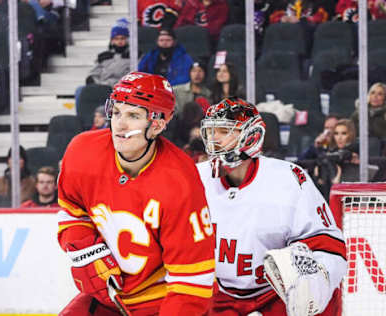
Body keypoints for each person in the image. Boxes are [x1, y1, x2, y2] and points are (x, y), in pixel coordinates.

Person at [57, 72, 215, 316]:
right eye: (117, 111)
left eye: (133, 115)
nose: (120, 124)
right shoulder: (82, 151)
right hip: (108, 299)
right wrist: (86, 248)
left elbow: (192, 285)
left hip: (161, 303)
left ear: (159, 123)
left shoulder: (180, 182)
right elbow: (72, 211)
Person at [196, 97, 346, 315]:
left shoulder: (289, 179)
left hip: (276, 298)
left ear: (252, 136)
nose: (214, 139)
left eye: (223, 131)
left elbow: (328, 246)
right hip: (218, 297)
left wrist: (313, 282)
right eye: (211, 131)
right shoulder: (195, 177)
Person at [85, 18, 131, 87]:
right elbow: (93, 74)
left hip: (121, 89)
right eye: (116, 39)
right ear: (112, 41)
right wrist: (97, 83)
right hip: (102, 87)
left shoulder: (133, 56)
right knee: (80, 90)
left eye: (122, 38)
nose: (119, 41)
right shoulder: (104, 56)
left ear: (127, 40)